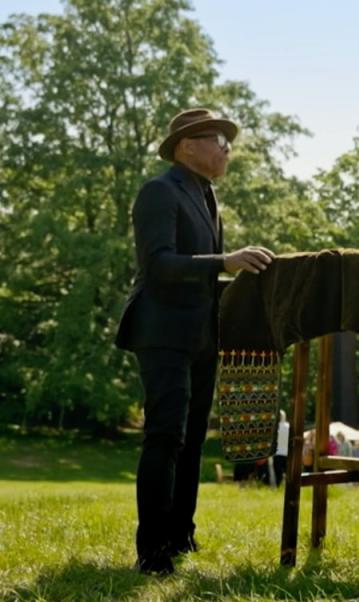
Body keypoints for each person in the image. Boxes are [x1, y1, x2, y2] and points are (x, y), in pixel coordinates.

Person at [115, 108, 275, 575]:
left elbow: (205, 276)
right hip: (162, 331)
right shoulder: (158, 192)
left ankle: (181, 535)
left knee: (192, 442)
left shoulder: (206, 196)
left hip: (202, 335)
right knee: (165, 436)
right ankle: (152, 551)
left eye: (228, 140)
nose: (227, 148)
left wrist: (252, 282)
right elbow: (160, 264)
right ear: (187, 146)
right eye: (218, 139)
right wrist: (227, 260)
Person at [273, 409, 290, 486]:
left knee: (278, 474)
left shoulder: (274, 427)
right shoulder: (288, 427)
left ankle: (278, 487)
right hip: (287, 453)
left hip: (277, 454)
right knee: (288, 473)